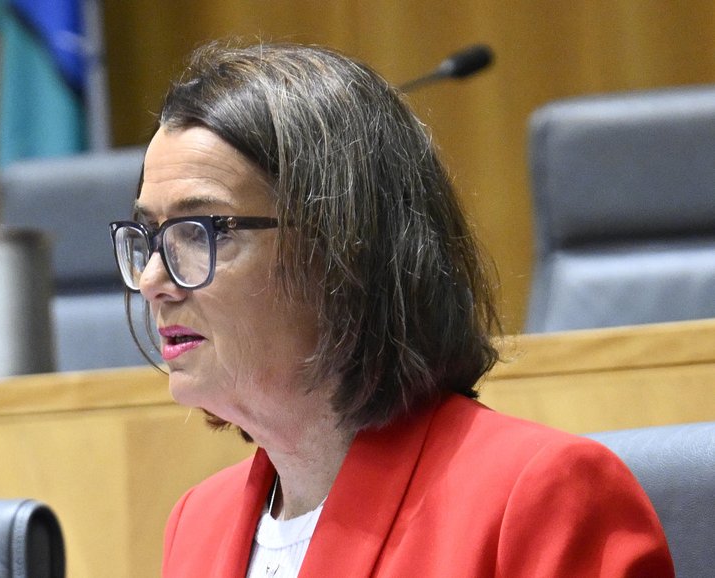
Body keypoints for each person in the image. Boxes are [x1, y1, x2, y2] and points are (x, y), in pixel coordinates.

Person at [109, 41, 674, 577]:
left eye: (202, 231)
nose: (154, 280)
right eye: (149, 234)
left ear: (344, 249)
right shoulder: (198, 522)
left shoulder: (538, 498)